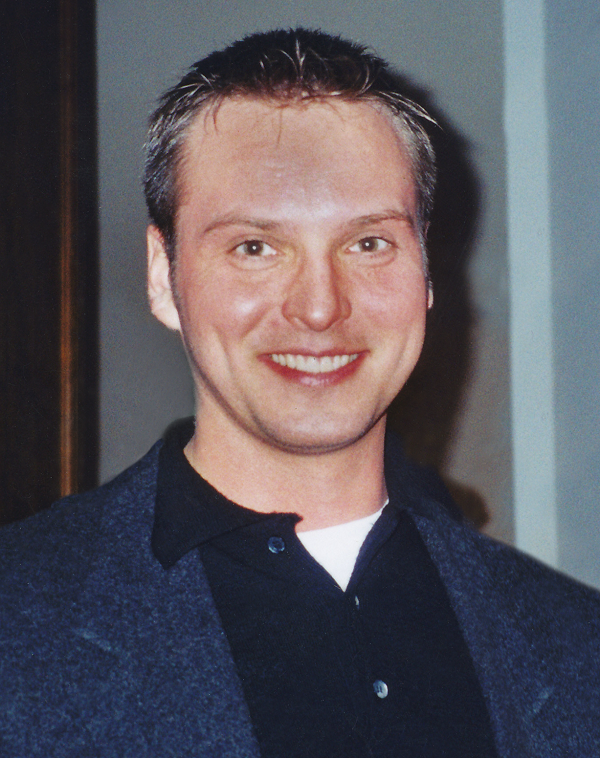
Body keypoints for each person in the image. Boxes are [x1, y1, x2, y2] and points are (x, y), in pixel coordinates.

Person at [1, 28, 599, 758]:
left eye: (368, 243)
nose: (320, 307)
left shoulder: (577, 646)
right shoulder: (20, 621)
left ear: (427, 271)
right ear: (164, 276)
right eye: (255, 247)